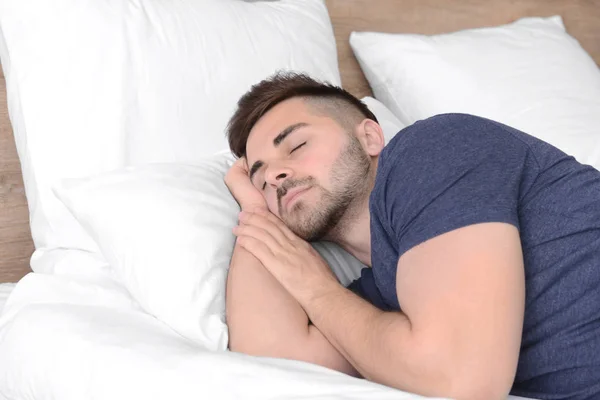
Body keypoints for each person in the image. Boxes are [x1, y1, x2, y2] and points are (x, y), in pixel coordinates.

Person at [223, 72, 600, 400]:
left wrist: (317, 289)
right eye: (261, 177)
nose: (276, 176)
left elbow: (461, 379)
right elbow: (270, 360)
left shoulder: (433, 147)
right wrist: (254, 209)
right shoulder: (382, 297)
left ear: (370, 137)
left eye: (297, 146)